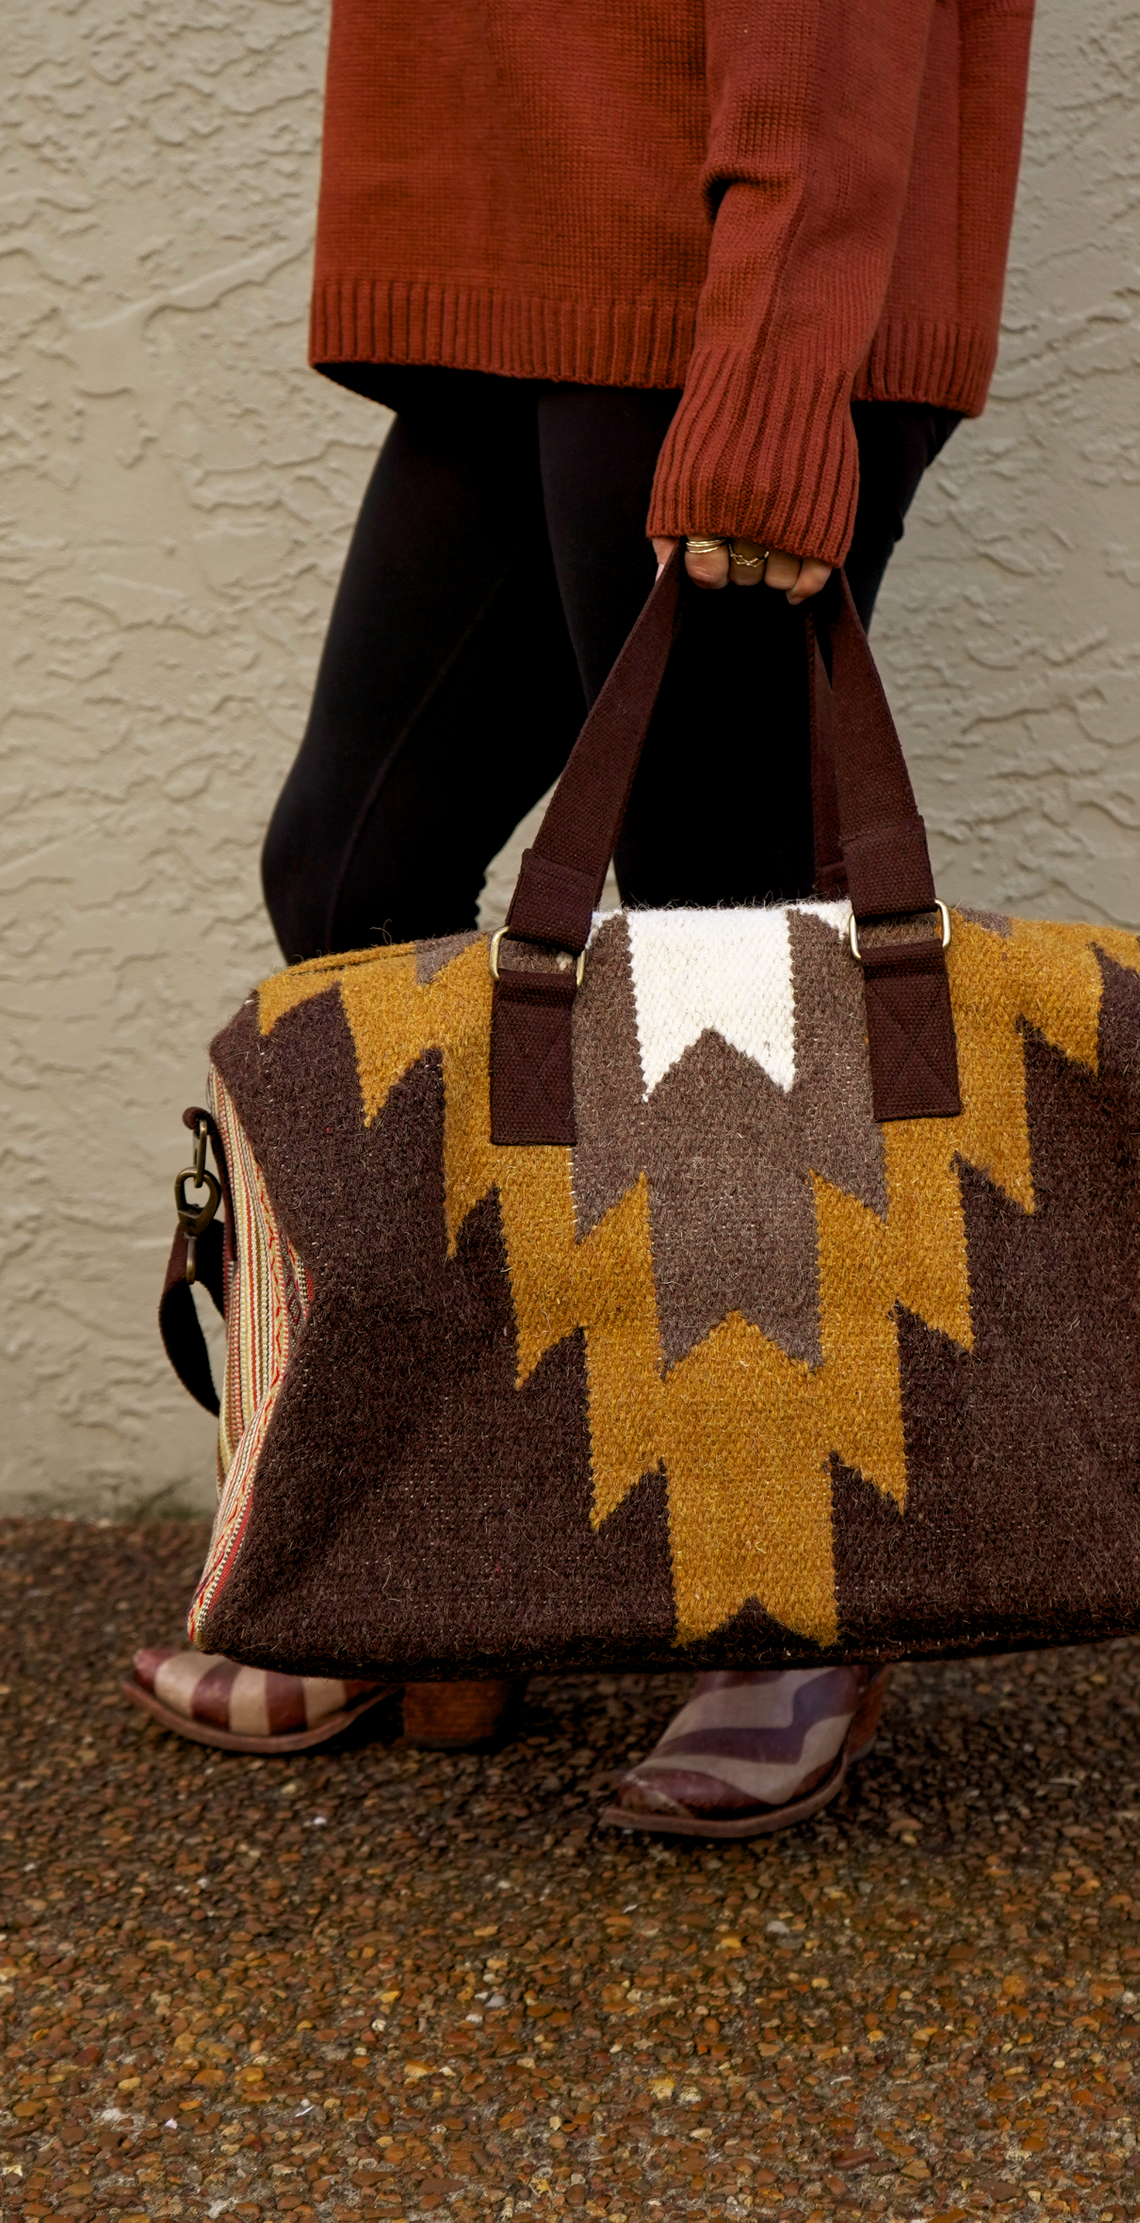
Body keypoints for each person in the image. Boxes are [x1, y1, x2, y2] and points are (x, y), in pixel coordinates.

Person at [127, 0, 1037, 1832]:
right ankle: (420, 1565)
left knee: (715, 935)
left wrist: (780, 355)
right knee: (349, 877)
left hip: (715, 261)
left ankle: (796, 1596)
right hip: (525, 252)